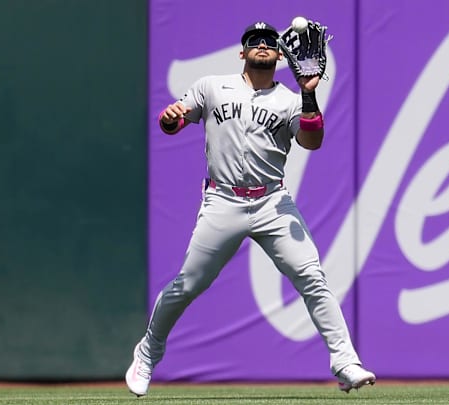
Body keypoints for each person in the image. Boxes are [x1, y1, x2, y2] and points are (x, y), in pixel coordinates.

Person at [125, 21, 375, 397]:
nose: (262, 45)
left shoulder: (290, 99)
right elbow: (173, 123)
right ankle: (148, 351)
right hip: (223, 200)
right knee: (188, 284)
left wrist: (309, 94)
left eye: (270, 42)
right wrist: (170, 117)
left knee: (312, 277)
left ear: (280, 54)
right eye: (253, 41)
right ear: (241, 52)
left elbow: (312, 141)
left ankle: (345, 361)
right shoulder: (212, 86)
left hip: (272, 201)